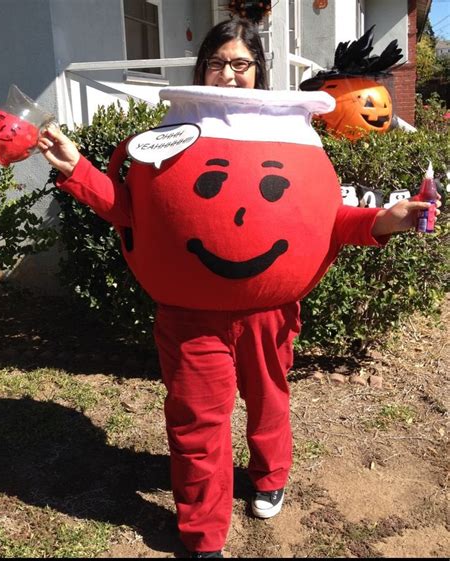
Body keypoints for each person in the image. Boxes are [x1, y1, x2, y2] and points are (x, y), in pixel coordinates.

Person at [38, 18, 440, 559]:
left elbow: (327, 220)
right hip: (189, 315)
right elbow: (131, 210)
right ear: (201, 67)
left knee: (269, 397)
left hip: (269, 311)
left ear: (258, 70)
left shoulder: (291, 132)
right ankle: (203, 536)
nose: (228, 74)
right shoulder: (170, 132)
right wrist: (78, 169)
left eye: (241, 64)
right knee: (195, 422)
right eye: (217, 62)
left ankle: (270, 475)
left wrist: (383, 220)